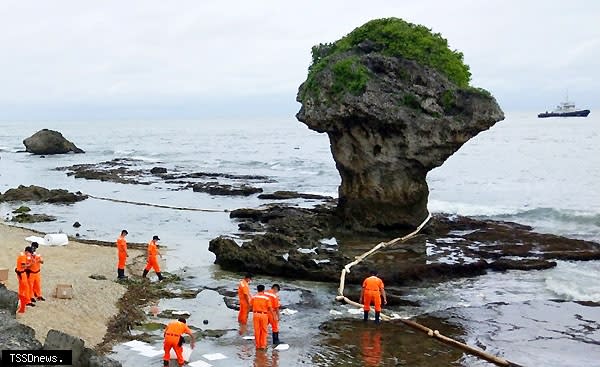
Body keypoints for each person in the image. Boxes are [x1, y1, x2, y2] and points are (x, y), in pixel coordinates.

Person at [251, 284, 272, 349]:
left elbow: (250, 305)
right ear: (263, 290)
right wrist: (273, 316)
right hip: (264, 315)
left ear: (257, 290)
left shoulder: (254, 297)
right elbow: (270, 308)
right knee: (264, 330)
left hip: (255, 314)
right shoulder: (266, 298)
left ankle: (257, 345)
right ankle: (263, 345)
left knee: (257, 330)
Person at [15, 246, 33, 313]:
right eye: (29, 253)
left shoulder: (22, 255)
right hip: (22, 273)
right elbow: (23, 266)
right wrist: (29, 265)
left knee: (22, 287)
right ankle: (27, 301)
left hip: (21, 273)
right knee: (26, 287)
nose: (30, 254)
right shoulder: (23, 257)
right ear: (27, 252)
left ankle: (21, 299)